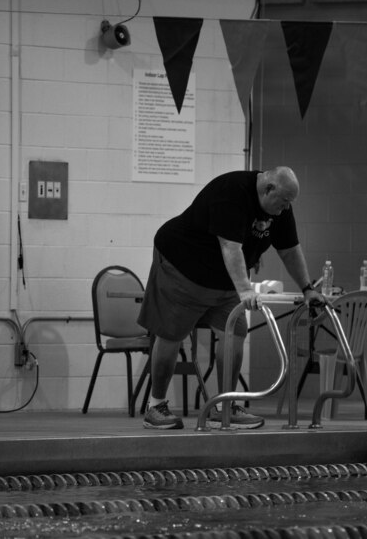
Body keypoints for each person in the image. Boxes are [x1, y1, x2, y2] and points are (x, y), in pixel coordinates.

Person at [137, 166, 326, 430]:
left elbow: (290, 249)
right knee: (171, 333)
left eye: (288, 205)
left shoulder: (281, 206)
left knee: (235, 331)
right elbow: (230, 246)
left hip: (222, 278)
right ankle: (155, 406)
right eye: (282, 203)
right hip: (182, 266)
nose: (284, 210)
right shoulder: (231, 191)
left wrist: (308, 288)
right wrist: (246, 290)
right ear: (268, 189)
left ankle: (225, 406)